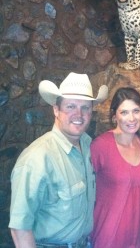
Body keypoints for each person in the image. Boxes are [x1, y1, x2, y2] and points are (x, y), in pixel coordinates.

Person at [9, 72, 108, 248]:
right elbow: (19, 228)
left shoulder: (88, 145)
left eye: (85, 107)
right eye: (70, 106)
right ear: (56, 109)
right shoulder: (36, 159)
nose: (79, 114)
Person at [90, 87, 140, 248]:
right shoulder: (101, 146)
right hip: (107, 235)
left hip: (136, 236)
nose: (131, 118)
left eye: (136, 111)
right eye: (124, 112)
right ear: (114, 116)